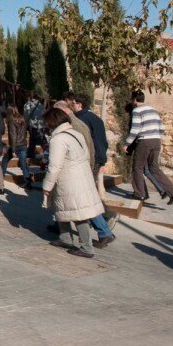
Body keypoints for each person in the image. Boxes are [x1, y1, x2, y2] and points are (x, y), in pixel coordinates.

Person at [48, 100, 117, 246]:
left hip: (79, 170)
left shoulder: (75, 125)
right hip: (81, 169)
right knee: (80, 203)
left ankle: (104, 231)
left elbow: (84, 149)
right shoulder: (78, 122)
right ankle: (63, 230)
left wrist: (88, 168)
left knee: (83, 205)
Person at [41, 108, 105, 258]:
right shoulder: (76, 134)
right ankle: (65, 238)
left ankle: (86, 247)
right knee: (63, 208)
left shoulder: (58, 139)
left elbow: (54, 166)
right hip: (81, 177)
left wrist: (47, 186)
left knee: (78, 213)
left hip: (69, 180)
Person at [125, 91, 173, 204]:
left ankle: (140, 194)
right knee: (154, 168)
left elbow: (135, 129)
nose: (132, 101)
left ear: (135, 99)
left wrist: (127, 143)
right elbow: (162, 128)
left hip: (145, 141)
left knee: (137, 167)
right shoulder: (153, 110)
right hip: (156, 141)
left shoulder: (137, 110)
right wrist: (155, 136)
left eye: (132, 99)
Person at [70, 94, 109, 199]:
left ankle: (96, 213)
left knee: (87, 188)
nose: (71, 106)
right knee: (98, 186)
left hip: (91, 157)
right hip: (100, 155)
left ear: (79, 105)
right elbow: (103, 139)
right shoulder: (95, 117)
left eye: (73, 104)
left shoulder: (80, 120)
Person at [2, 105, 32, 190]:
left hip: (15, 146)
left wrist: (13, 150)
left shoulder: (11, 121)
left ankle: (1, 176)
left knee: (5, 160)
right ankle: (27, 182)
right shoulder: (22, 118)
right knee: (23, 164)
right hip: (23, 144)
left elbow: (13, 136)